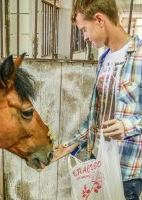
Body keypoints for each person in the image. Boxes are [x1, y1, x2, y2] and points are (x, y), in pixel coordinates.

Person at [52, 0, 142, 199]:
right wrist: (73, 143)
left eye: (84, 30)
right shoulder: (104, 59)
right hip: (98, 161)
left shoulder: (140, 57)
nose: (84, 37)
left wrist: (127, 126)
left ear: (99, 19)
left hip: (126, 172)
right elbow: (97, 114)